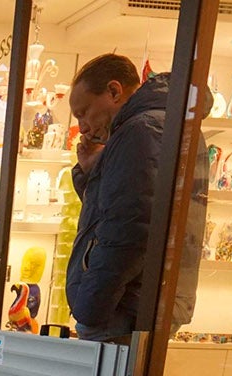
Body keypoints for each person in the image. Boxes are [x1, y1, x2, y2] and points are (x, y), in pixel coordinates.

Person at [64, 53, 168, 342]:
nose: (83, 128)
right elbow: (121, 210)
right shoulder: (153, 127)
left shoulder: (139, 131)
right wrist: (93, 171)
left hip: (120, 309)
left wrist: (89, 308)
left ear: (113, 91)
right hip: (129, 304)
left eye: (83, 113)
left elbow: (128, 229)